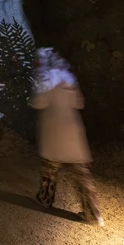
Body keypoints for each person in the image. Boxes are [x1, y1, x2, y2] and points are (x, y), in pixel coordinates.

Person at [31, 47, 104, 226]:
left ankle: (45, 199)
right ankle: (93, 214)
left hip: (54, 132)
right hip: (73, 130)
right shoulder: (69, 80)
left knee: (49, 170)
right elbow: (79, 103)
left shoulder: (47, 80)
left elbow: (37, 103)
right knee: (82, 175)